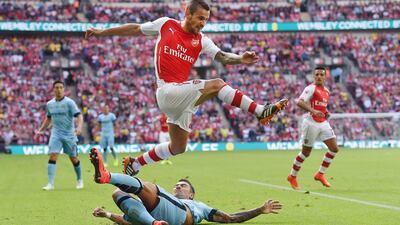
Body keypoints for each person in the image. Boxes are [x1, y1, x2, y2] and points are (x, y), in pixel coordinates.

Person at [85, 0, 288, 176]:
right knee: (217, 84)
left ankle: (135, 163)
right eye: (199, 18)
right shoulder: (167, 24)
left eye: (206, 20)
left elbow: (223, 57)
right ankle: (261, 111)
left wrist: (240, 59)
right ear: (187, 13)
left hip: (180, 97)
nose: (202, 23)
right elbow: (135, 28)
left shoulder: (201, 41)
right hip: (167, 91)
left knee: (178, 147)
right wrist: (103, 32)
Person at [89, 148, 282, 225]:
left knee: (151, 188)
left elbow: (230, 218)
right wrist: (107, 215)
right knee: (118, 194)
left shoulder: (199, 206)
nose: (178, 187)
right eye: (177, 185)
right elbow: (128, 221)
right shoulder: (163, 202)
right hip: (157, 218)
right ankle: (154, 224)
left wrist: (260, 209)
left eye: (183, 186)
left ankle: (108, 176)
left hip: (182, 214)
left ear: (191, 194)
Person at [287, 67, 339, 190]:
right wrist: (313, 111)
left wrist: (326, 112)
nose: (319, 76)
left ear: (325, 77)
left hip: (323, 123)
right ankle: (292, 176)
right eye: (317, 74)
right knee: (306, 153)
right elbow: (300, 102)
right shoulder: (310, 88)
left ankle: (320, 174)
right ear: (313, 76)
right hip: (311, 123)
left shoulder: (326, 91)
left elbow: (322, 106)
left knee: (334, 149)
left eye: (321, 74)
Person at [36, 80, 84, 190]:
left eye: (60, 87)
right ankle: (50, 184)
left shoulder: (69, 103)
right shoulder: (50, 104)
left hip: (69, 135)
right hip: (56, 134)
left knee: (74, 158)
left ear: (63, 89)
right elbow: (48, 119)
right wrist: (41, 130)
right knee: (53, 156)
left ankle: (79, 179)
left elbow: (79, 116)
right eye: (56, 87)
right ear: (53, 89)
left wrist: (79, 127)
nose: (58, 89)